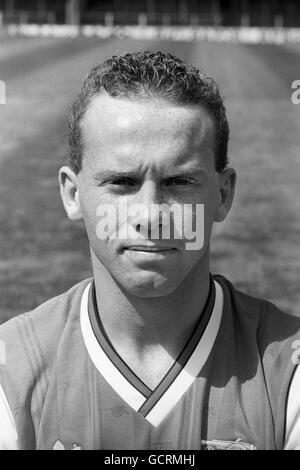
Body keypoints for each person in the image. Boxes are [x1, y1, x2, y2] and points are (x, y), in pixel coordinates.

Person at [0, 51, 299, 451]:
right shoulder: (11, 372)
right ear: (72, 194)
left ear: (223, 194)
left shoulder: (288, 371)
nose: (149, 215)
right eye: (122, 182)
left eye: (179, 182)